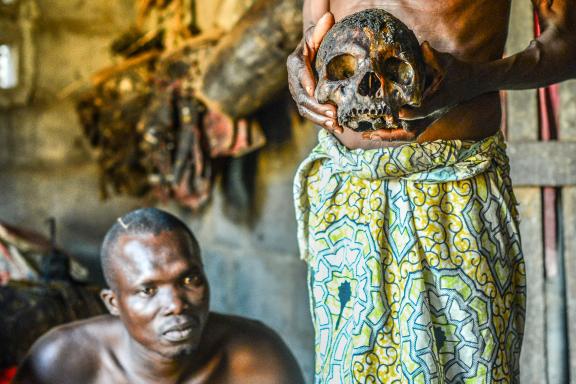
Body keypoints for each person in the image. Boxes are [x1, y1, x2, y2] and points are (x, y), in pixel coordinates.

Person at [288, 0, 575, 383]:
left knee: (471, 371)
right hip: (346, 194)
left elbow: (570, 44)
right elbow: (314, 37)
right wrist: (297, 68)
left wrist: (478, 78)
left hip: (454, 199)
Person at [13, 208, 304, 384]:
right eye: (148, 290)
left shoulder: (256, 359)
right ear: (113, 303)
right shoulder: (61, 363)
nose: (176, 304)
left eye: (189, 280)